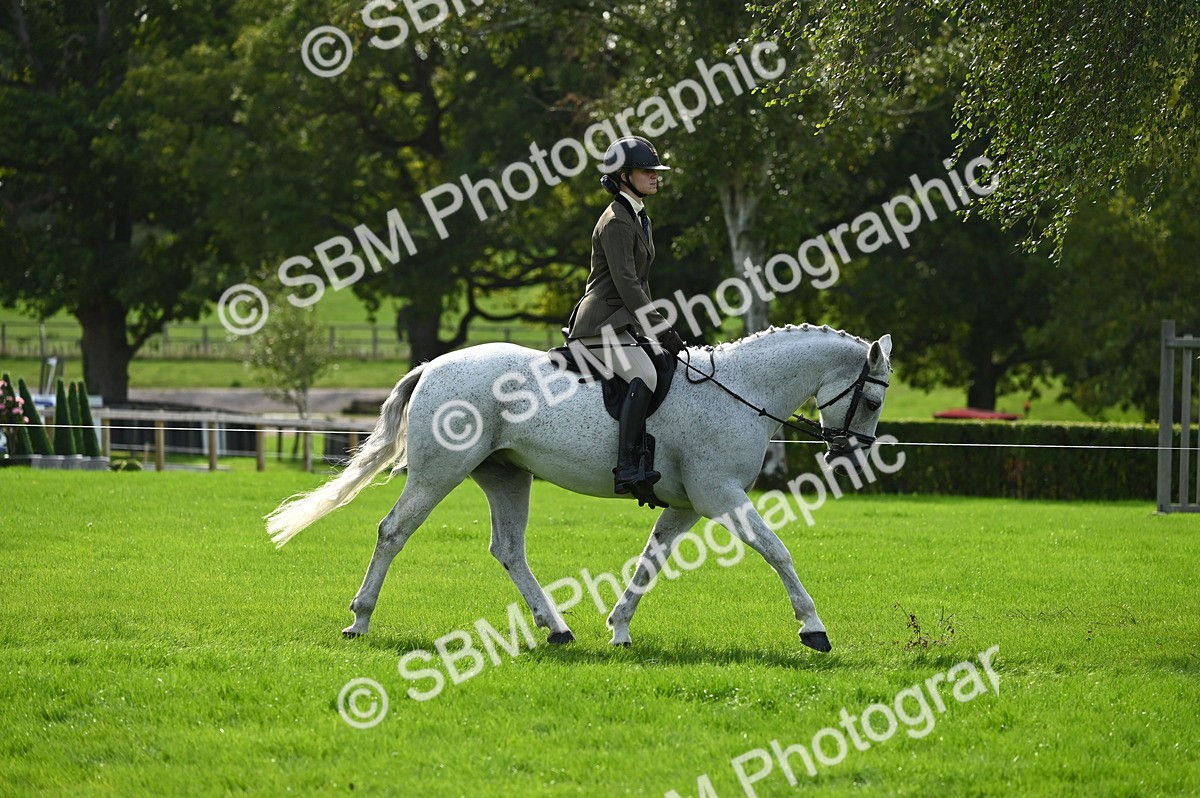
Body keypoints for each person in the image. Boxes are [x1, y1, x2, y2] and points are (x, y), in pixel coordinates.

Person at [564, 135, 686, 499]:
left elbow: (639, 285)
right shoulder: (617, 220)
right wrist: (661, 329)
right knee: (645, 373)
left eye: (656, 171)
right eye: (647, 171)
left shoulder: (637, 216)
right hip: (599, 325)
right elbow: (628, 285)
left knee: (663, 366)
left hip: (622, 323)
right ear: (622, 175)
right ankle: (629, 465)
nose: (655, 176)